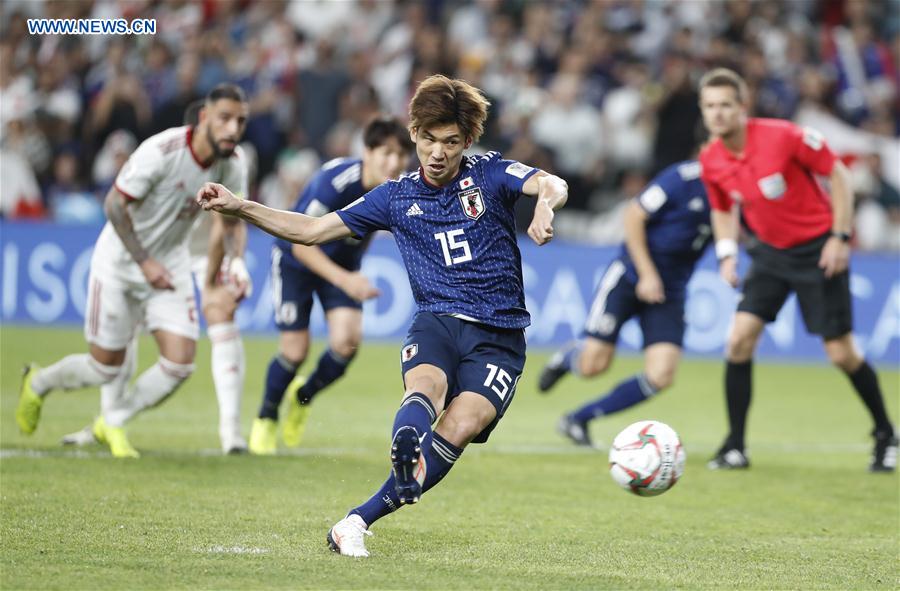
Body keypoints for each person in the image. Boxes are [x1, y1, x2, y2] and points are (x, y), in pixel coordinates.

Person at [196, 74, 568, 557]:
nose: (438, 153)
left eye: (450, 142)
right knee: (426, 389)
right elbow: (311, 230)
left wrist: (544, 206)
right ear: (414, 133)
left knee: (463, 424)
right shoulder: (394, 197)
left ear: (467, 141)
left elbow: (551, 182)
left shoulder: (491, 173)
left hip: (501, 336)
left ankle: (354, 521)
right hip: (438, 321)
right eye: (429, 139)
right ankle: (407, 442)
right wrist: (240, 205)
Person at [17, 83, 250, 458]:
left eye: (240, 121)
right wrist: (144, 262)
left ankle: (112, 420)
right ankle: (39, 382)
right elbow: (113, 203)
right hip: (121, 263)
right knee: (104, 368)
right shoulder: (162, 151)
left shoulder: (233, 163)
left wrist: (235, 262)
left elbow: (232, 220)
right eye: (225, 118)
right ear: (204, 117)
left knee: (180, 363)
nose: (233, 129)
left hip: (170, 263)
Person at [697, 68, 897, 472]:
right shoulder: (711, 158)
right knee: (738, 340)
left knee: (841, 353)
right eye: (710, 106)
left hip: (817, 250)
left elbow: (838, 174)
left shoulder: (784, 136)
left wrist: (840, 236)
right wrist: (727, 253)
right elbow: (721, 207)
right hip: (769, 255)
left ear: (743, 106)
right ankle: (735, 446)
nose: (717, 114)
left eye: (725, 105)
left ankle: (885, 433)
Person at [249, 117, 413, 455]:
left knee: (346, 343)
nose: (394, 162)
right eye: (386, 153)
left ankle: (302, 396)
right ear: (367, 152)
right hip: (296, 261)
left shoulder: (396, 190)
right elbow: (301, 244)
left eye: (401, 155)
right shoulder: (334, 182)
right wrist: (346, 280)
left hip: (343, 265)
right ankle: (266, 417)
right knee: (295, 351)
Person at [538, 160, 711, 446]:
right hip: (629, 278)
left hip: (669, 291)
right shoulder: (681, 178)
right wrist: (647, 274)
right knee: (593, 365)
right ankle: (569, 357)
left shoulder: (736, 190)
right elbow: (633, 215)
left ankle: (578, 419)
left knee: (661, 375)